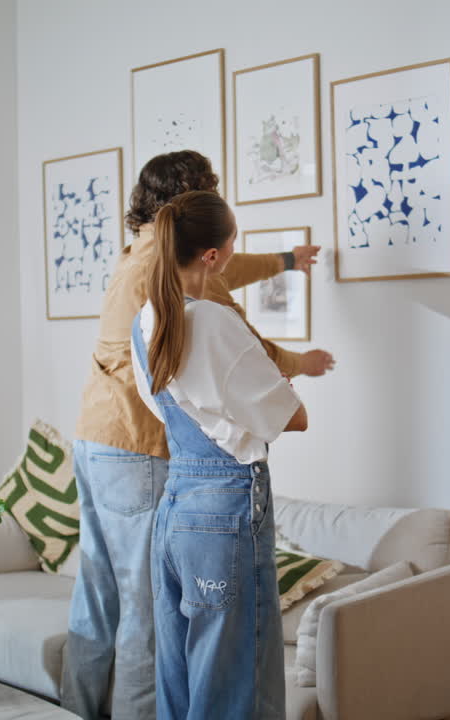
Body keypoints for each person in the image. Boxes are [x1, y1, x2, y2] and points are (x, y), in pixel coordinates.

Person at [61, 150, 331, 720]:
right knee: (145, 618)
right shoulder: (188, 301)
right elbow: (244, 348)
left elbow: (226, 269)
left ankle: (73, 711)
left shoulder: (144, 260)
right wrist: (299, 364)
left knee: (99, 597)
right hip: (138, 450)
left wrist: (286, 260)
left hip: (95, 438)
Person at [133, 190, 303, 719]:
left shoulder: (145, 321)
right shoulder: (212, 320)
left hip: (175, 510)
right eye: (232, 242)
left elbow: (170, 410)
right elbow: (293, 416)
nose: (233, 250)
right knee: (235, 688)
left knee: (180, 682)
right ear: (212, 255)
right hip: (224, 514)